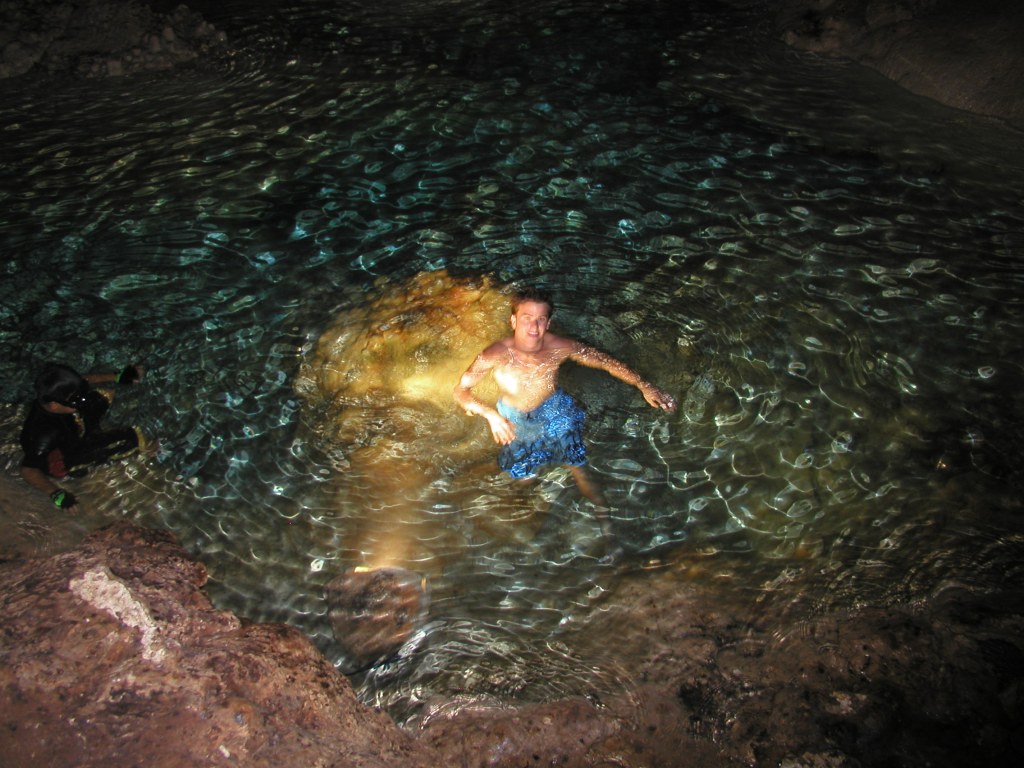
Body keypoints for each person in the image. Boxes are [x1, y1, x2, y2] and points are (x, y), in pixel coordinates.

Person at [454, 287, 676, 533]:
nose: (534, 326)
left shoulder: (559, 346)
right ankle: (507, 510)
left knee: (579, 468)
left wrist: (645, 386)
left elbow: (605, 361)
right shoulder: (495, 353)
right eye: (527, 318)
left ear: (548, 323)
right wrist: (491, 415)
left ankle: (608, 529)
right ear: (513, 321)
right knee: (522, 477)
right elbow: (461, 391)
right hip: (515, 420)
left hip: (556, 411)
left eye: (540, 319)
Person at [20, 362, 146, 512]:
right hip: (69, 453)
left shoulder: (56, 398)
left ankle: (94, 430)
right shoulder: (43, 435)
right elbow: (28, 470)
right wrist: (55, 493)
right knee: (134, 439)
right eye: (76, 400)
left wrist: (117, 377)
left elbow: (83, 380)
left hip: (74, 425)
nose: (83, 400)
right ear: (54, 405)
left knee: (106, 394)